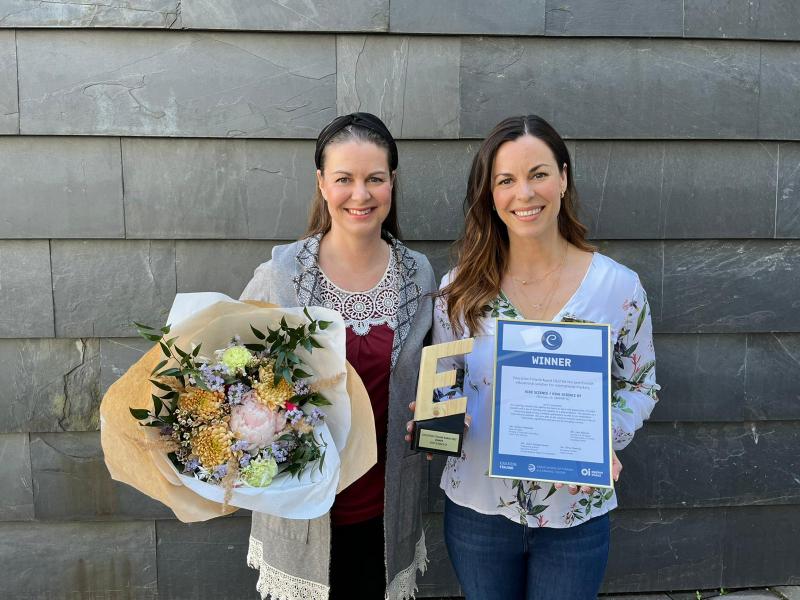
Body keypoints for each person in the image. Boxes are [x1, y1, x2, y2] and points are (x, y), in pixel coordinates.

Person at [425, 115, 659, 599]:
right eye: (505, 180)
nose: (524, 194)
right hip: (478, 511)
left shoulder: (617, 288)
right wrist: (437, 422)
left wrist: (600, 440)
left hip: (574, 515)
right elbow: (442, 384)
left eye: (538, 174)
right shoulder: (458, 291)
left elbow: (639, 386)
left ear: (564, 178)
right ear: (490, 195)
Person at [240, 112, 436, 600]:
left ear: (392, 182)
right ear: (322, 184)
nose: (361, 194)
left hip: (385, 512)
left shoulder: (419, 276)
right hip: (302, 519)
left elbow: (436, 381)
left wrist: (438, 421)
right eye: (344, 179)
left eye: (375, 178)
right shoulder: (281, 276)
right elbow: (232, 381)